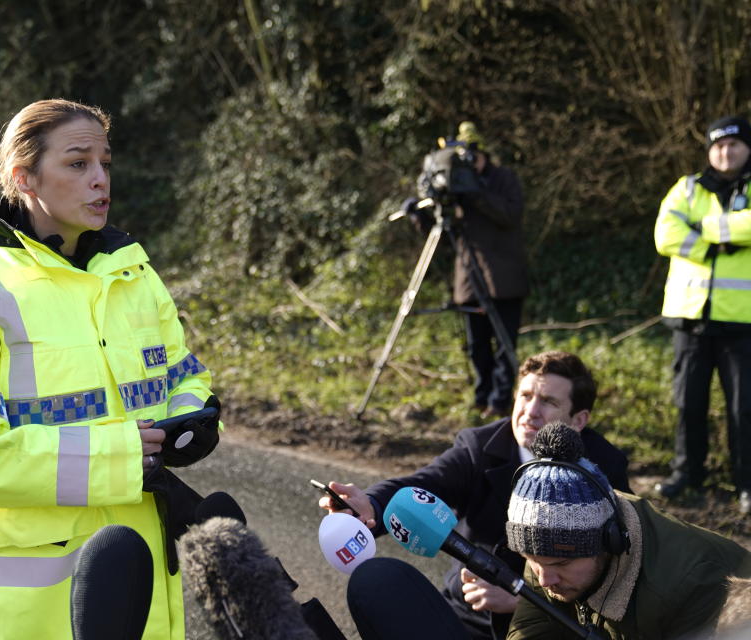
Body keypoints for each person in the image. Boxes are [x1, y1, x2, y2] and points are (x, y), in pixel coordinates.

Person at [0, 99, 218, 640]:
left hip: (143, 590)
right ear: (24, 178)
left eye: (105, 162)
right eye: (78, 163)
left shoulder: (134, 275)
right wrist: (122, 455)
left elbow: (183, 376)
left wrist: (190, 418)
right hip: (31, 608)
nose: (100, 180)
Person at [321, 350, 630, 639]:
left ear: (578, 420)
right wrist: (370, 506)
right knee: (379, 586)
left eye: (548, 401)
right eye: (525, 395)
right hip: (466, 618)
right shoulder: (478, 446)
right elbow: (423, 485)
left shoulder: (606, 467)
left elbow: (622, 576)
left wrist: (526, 601)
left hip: (554, 627)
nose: (531, 412)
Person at [505, 423, 751, 639]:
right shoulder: (547, 547)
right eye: (532, 561)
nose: (544, 580)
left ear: (611, 541)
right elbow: (531, 628)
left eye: (562, 564)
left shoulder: (690, 584)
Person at [653, 115, 751, 513]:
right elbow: (665, 234)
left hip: (742, 320)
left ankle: (746, 483)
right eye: (718, 146)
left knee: (744, 407)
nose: (725, 152)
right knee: (687, 402)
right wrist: (719, 245)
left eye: (734, 145)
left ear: (747, 148)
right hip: (690, 317)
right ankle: (687, 474)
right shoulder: (688, 187)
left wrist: (705, 228)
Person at [418, 122, 529, 419]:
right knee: (476, 344)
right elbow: (441, 235)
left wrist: (477, 193)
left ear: (479, 154)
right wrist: (421, 213)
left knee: (505, 345)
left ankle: (500, 401)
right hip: (469, 277)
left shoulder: (503, 179)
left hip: (504, 277)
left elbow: (510, 215)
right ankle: (481, 398)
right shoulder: (455, 185)